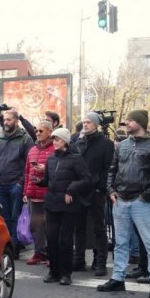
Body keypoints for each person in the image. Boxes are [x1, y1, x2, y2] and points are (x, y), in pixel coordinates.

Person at [98, 110, 150, 298]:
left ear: (140, 122)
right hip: (120, 200)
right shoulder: (122, 146)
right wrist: (110, 190)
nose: (126, 124)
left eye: (130, 121)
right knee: (120, 243)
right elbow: (112, 170)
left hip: (140, 201)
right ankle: (117, 279)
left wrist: (146, 195)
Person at [34, 128, 91, 285]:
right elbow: (47, 180)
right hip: (52, 203)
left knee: (65, 240)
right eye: (53, 139)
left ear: (65, 141)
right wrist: (38, 181)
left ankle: (66, 273)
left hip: (69, 205)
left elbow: (86, 179)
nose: (54, 142)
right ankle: (54, 271)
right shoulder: (51, 159)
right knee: (51, 238)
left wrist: (71, 189)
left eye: (57, 139)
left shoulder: (76, 159)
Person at [71, 112, 115, 276]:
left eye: (89, 122)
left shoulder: (106, 144)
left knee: (99, 228)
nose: (86, 124)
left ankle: (101, 261)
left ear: (96, 124)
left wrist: (100, 189)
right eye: (84, 122)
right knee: (79, 227)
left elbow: (108, 169)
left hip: (96, 191)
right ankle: (79, 259)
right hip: (79, 191)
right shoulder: (78, 142)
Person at [0, 109, 34, 257]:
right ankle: (6, 245)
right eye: (5, 119)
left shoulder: (25, 139)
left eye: (9, 119)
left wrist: (21, 183)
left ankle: (15, 246)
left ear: (16, 121)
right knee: (4, 217)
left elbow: (29, 163)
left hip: (16, 184)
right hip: (0, 184)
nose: (6, 122)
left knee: (15, 216)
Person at [23, 121, 55, 266]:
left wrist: (46, 169)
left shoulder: (55, 149)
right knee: (35, 226)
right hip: (33, 194)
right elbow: (27, 172)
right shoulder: (32, 150)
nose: (37, 133)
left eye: (41, 131)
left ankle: (51, 253)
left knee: (50, 225)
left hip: (48, 193)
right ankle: (39, 253)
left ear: (49, 132)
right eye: (36, 131)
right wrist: (25, 192)